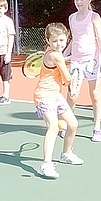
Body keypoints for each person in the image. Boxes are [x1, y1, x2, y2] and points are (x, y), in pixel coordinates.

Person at [35, 23, 84, 179]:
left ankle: (66, 153)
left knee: (73, 124)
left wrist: (67, 82)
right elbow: (67, 78)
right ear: (48, 40)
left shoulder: (55, 54)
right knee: (54, 127)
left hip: (55, 96)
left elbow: (62, 79)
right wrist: (73, 82)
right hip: (44, 96)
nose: (59, 44)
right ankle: (46, 164)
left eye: (62, 40)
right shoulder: (55, 55)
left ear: (67, 39)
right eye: (55, 41)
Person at [64, 0, 101, 142]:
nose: (79, 2)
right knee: (72, 96)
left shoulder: (94, 17)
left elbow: (100, 40)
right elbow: (74, 39)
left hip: (93, 61)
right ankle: (68, 125)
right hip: (76, 62)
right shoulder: (72, 18)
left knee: (95, 96)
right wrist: (63, 55)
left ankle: (96, 128)